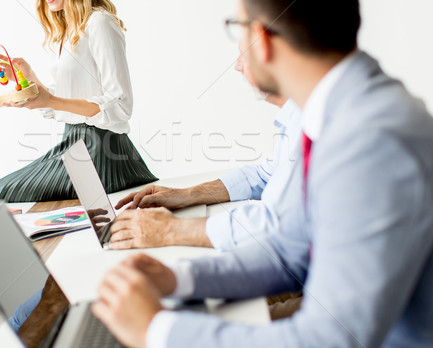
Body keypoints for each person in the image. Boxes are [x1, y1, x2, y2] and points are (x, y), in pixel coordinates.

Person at [91, 0, 433, 348]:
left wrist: (156, 330)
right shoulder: (337, 113)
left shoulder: (372, 143)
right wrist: (179, 276)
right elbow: (289, 249)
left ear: (261, 38)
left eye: (238, 26)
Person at [0, 0, 156, 205]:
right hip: (75, 146)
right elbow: (63, 102)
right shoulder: (66, 31)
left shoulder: (100, 24)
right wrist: (29, 79)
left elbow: (120, 106)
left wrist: (50, 99)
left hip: (101, 154)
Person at [109, 94, 301, 251]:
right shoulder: (297, 113)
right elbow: (263, 175)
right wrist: (185, 195)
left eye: (245, 52)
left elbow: (284, 226)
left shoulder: (316, 119)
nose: (238, 65)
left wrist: (170, 229)